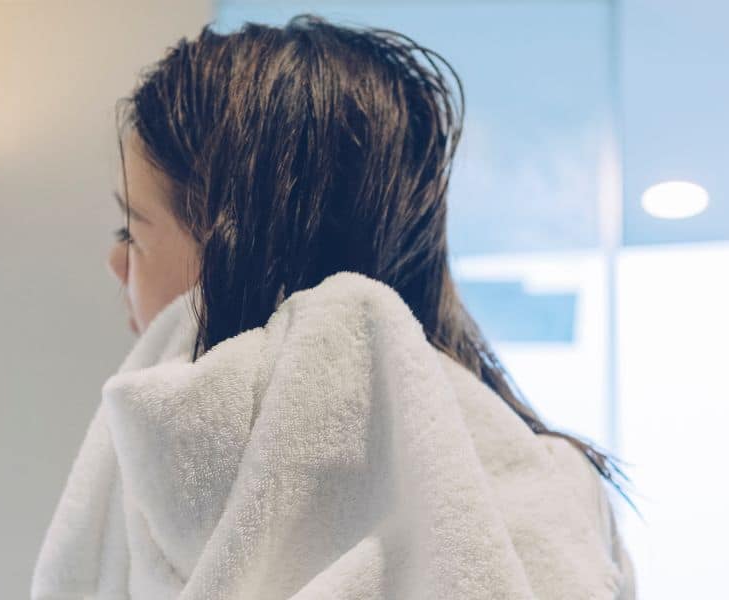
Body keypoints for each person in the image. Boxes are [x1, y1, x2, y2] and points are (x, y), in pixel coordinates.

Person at [58, 14, 638, 598]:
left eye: (131, 230)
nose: (116, 263)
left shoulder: (153, 486)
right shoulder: (556, 497)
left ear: (236, 250)